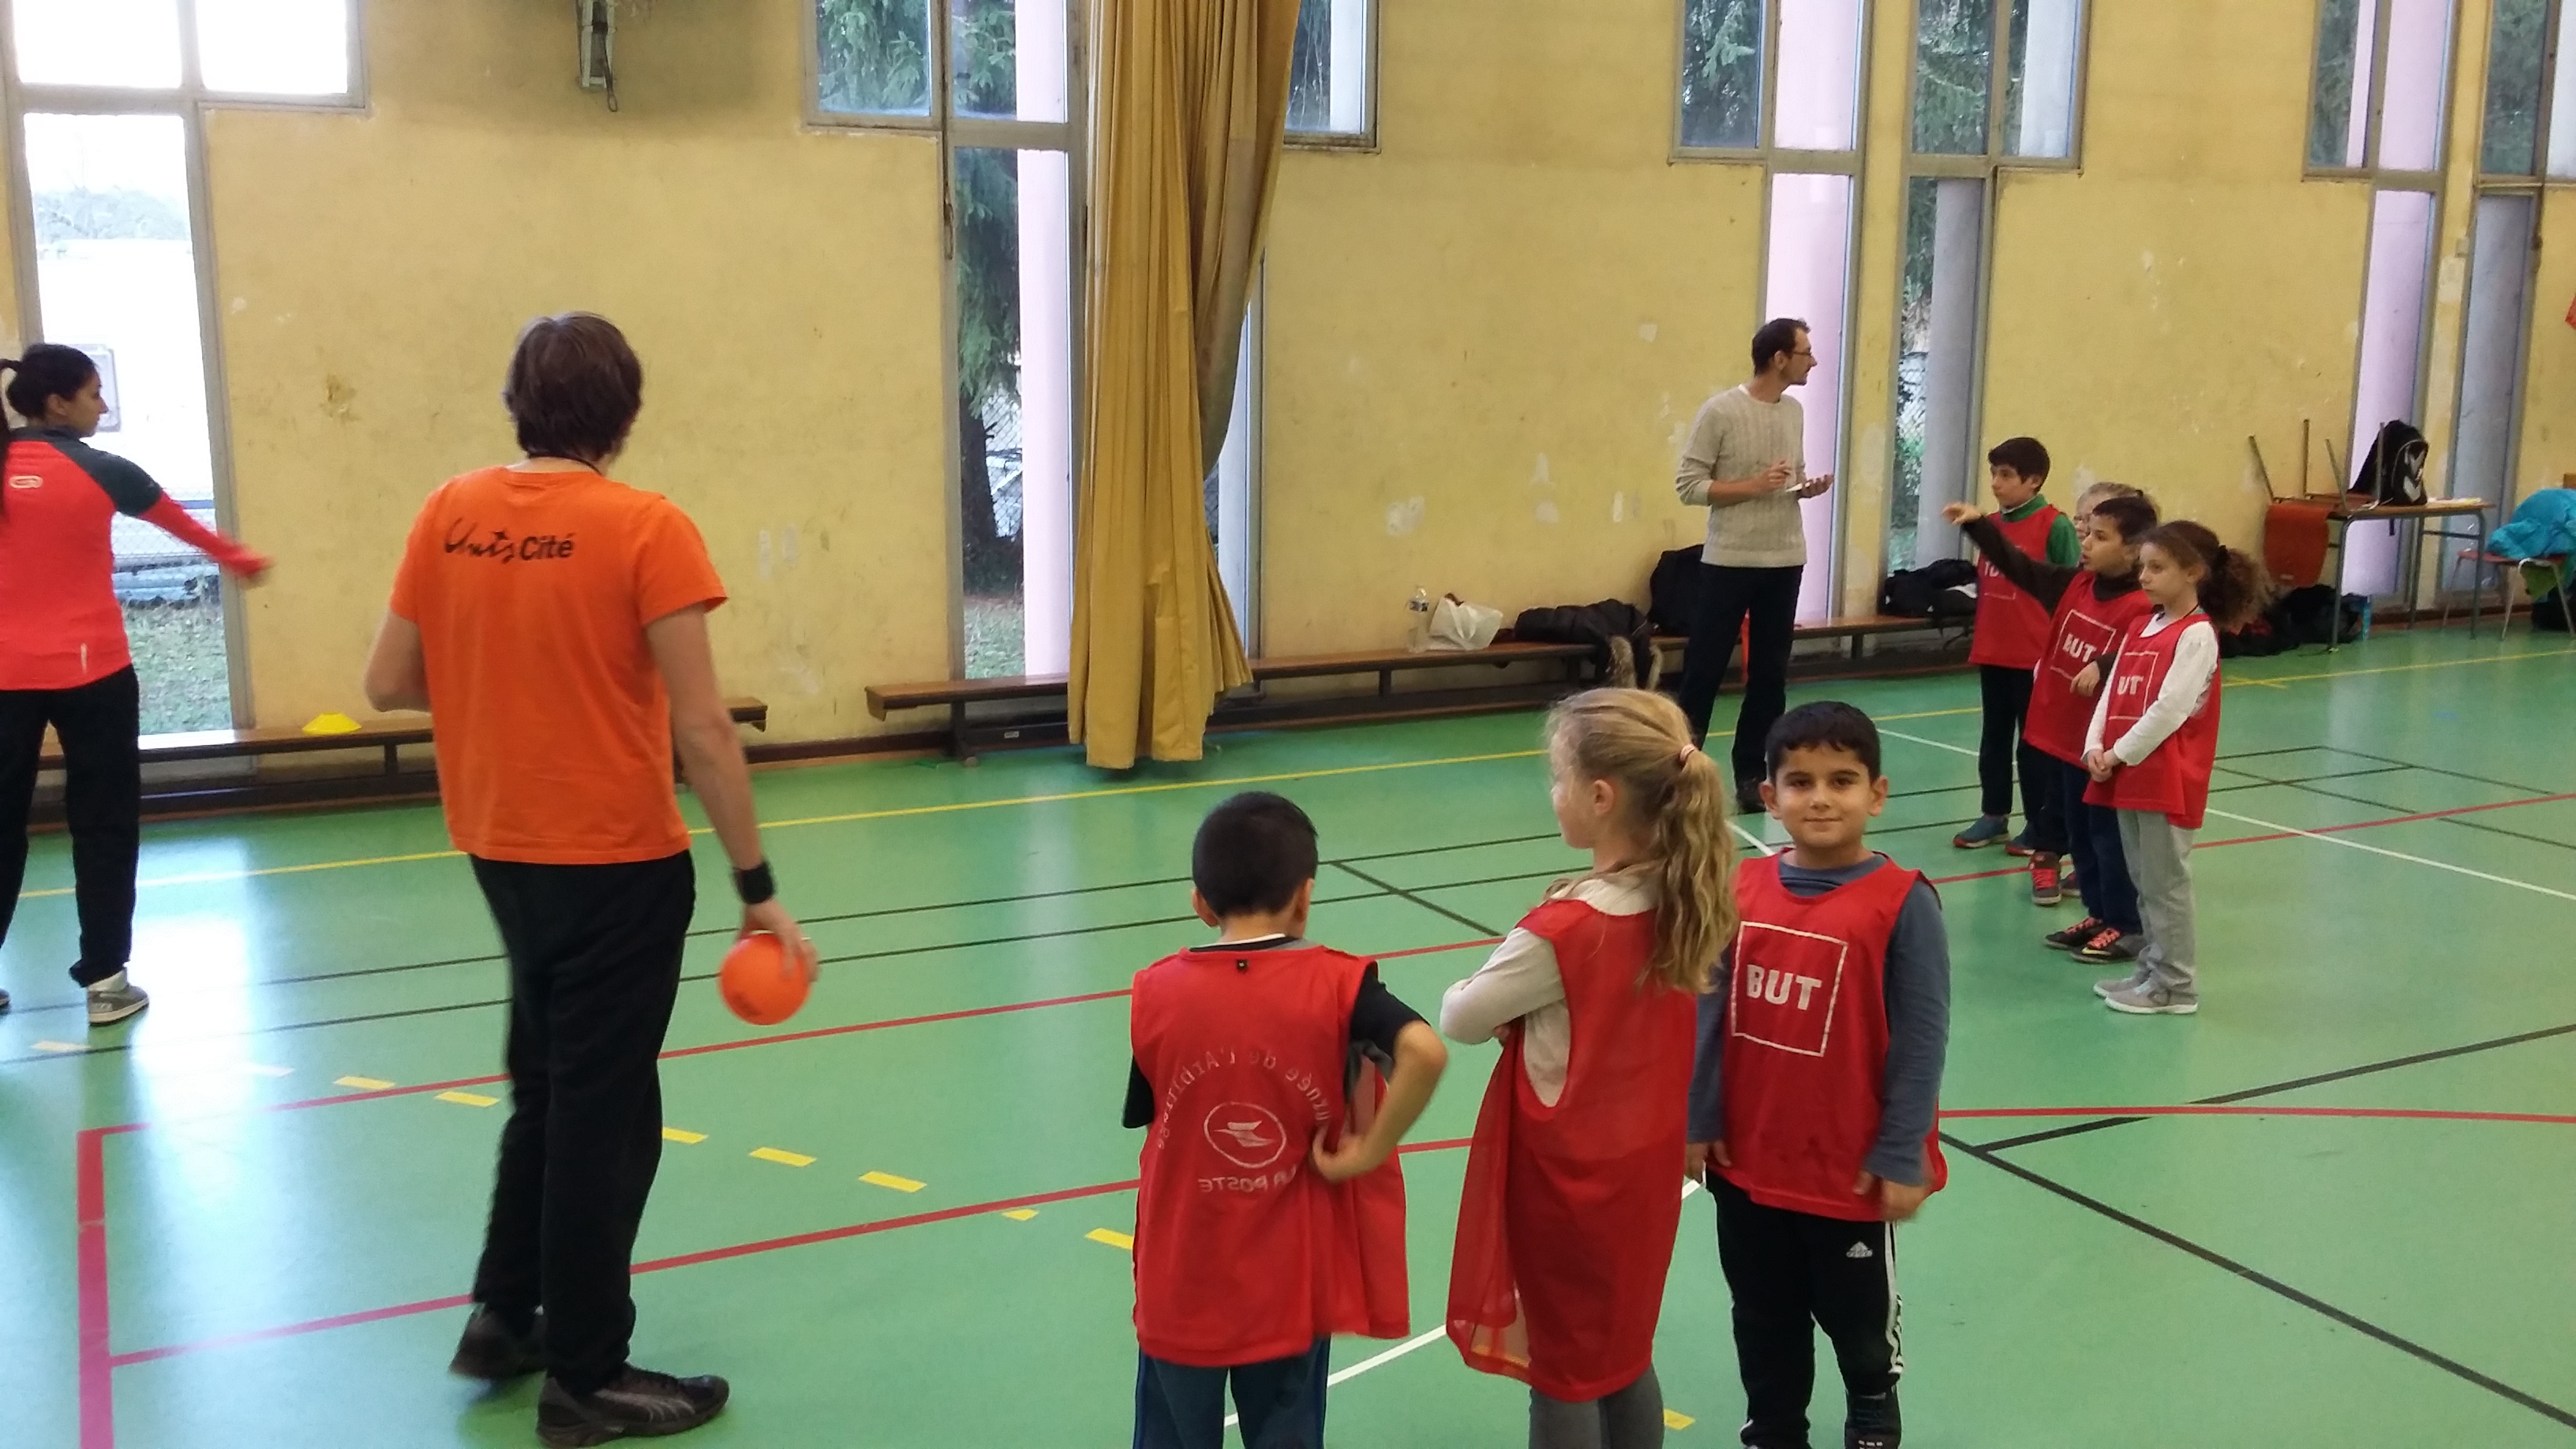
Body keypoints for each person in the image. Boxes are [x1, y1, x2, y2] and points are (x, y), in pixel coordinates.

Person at [363, 313, 818, 1446]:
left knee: (546, 1087)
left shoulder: (449, 510)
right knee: (603, 1123)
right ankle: (586, 1373)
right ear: (625, 414)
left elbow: (389, 680)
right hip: (617, 864)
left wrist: (511, 682)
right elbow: (703, 729)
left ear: (516, 402)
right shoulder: (646, 527)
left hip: (501, 849)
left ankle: (504, 1317)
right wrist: (757, 885)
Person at [1440, 688, 1734, 1449]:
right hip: (1644, 1169)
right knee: (1623, 1349)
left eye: (1559, 777)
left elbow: (1461, 1016)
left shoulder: (1566, 928)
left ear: (1600, 797)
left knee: (1564, 1367)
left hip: (1568, 1183)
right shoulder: (1686, 895)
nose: (1553, 792)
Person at [1125, 791, 1447, 1449]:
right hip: (1288, 1285)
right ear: (1305, 897)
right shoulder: (1342, 987)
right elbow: (1424, 1050)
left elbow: (1150, 1113)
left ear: (1200, 904)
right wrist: (1367, 1151)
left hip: (1180, 1277)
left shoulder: (1154, 990)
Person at [1687, 702, 1949, 1449]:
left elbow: (1922, 1039)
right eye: (1800, 782)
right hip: (1749, 1162)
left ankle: (1872, 1406)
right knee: (1762, 1314)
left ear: (1877, 793)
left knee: (1857, 1319)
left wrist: (1900, 1151)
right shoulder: (1741, 888)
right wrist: (1698, 1118)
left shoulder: (1903, 902)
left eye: (1842, 780)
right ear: (1770, 798)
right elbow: (1707, 1012)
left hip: (1847, 1171)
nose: (1822, 799)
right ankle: (1774, 1427)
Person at [0, 343, 269, 1025]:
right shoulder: (103, 469)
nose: (103, 405)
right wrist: (240, 559)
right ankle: (105, 984)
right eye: (94, 393)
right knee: (105, 824)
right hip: (94, 675)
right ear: (58, 403)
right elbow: (185, 526)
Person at [1943, 485, 2161, 966]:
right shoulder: (2075, 585)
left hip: (2103, 748)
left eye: (2100, 537)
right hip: (2064, 739)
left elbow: (2147, 654)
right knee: (2078, 837)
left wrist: (2104, 664)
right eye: (2087, 532)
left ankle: (2127, 925)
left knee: (2107, 841)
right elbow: (2020, 567)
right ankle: (2098, 914)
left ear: (2133, 550)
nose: (2086, 542)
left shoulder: (2144, 606)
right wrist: (1978, 526)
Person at [2082, 520, 2271, 1016]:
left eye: (2157, 568)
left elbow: (2170, 710)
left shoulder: (2197, 635)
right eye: (2143, 566)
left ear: (2194, 572)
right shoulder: (2140, 626)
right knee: (2144, 881)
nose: (2144, 577)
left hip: (2164, 777)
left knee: (2166, 886)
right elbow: (2112, 692)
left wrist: (2116, 753)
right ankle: (2151, 971)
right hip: (2126, 772)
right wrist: (2094, 746)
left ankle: (2176, 986)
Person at [1672, 318, 1836, 814]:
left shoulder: (1794, 411)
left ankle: (1751, 774)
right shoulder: (1721, 411)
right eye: (1805, 353)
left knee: (1770, 675)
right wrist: (1753, 486)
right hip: (1730, 561)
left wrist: (1805, 488)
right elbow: (1689, 486)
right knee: (1703, 671)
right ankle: (1678, 774)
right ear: (1779, 358)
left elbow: (1788, 480)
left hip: (1785, 559)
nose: (1813, 361)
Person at [1946, 438, 2079, 900]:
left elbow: (2069, 589)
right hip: (1994, 650)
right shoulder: (1992, 526)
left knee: (2035, 745)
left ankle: (2038, 824)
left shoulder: (2055, 525)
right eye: (1994, 474)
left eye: (2006, 475)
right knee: (1994, 738)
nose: (1996, 483)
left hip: (2035, 655)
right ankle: (1993, 813)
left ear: (2033, 481)